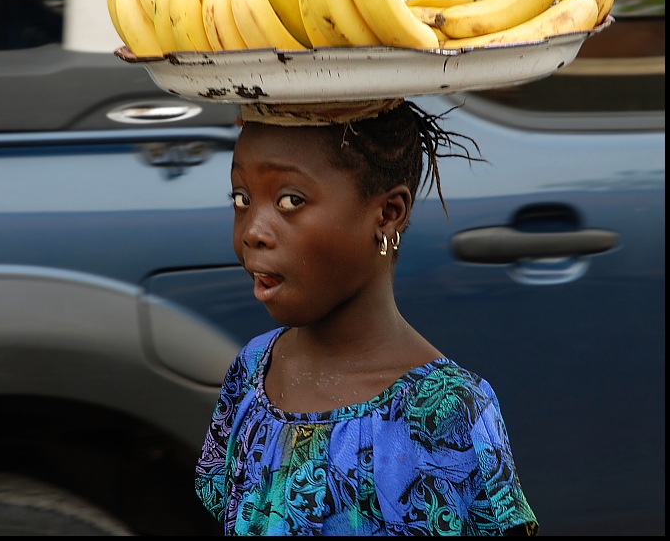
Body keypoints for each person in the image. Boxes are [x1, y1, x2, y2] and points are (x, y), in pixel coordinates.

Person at [195, 97, 539, 536]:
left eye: (290, 200)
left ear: (387, 214)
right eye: (242, 198)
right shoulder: (252, 370)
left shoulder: (448, 412)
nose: (253, 232)